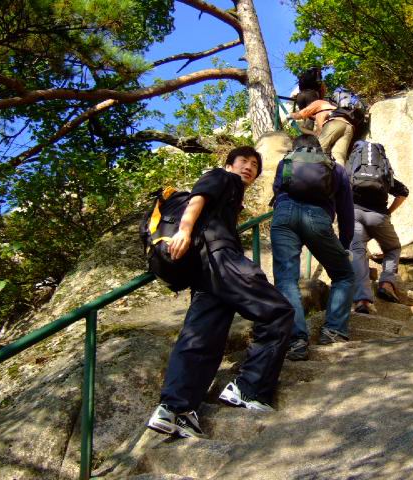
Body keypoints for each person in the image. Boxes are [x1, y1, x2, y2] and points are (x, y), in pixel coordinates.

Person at [147, 146, 295, 438]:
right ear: (229, 165)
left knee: (203, 336)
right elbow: (198, 198)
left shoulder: (232, 196)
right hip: (221, 257)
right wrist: (184, 231)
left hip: (205, 272)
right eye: (243, 161)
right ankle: (248, 388)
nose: (249, 167)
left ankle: (176, 410)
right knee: (278, 311)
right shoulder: (222, 177)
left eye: (255, 165)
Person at [270, 134, 355, 361]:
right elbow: (346, 211)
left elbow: (278, 191)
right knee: (344, 275)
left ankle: (296, 341)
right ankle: (333, 331)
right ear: (320, 149)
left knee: (286, 280)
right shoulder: (335, 169)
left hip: (283, 216)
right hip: (317, 218)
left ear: (295, 149)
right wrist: (344, 245)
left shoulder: (285, 163)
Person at [349, 145, 409, 313]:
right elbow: (403, 192)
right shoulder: (383, 174)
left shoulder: (351, 171)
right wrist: (388, 211)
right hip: (378, 216)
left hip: (354, 215)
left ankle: (362, 300)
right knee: (392, 248)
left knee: (357, 253)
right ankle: (387, 284)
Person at [287, 97, 354, 165]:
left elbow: (299, 115)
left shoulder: (319, 103)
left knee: (318, 150)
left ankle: (311, 170)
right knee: (338, 156)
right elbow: (317, 134)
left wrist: (289, 115)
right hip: (349, 127)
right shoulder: (333, 109)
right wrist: (299, 127)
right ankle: (339, 171)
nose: (312, 118)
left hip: (335, 123)